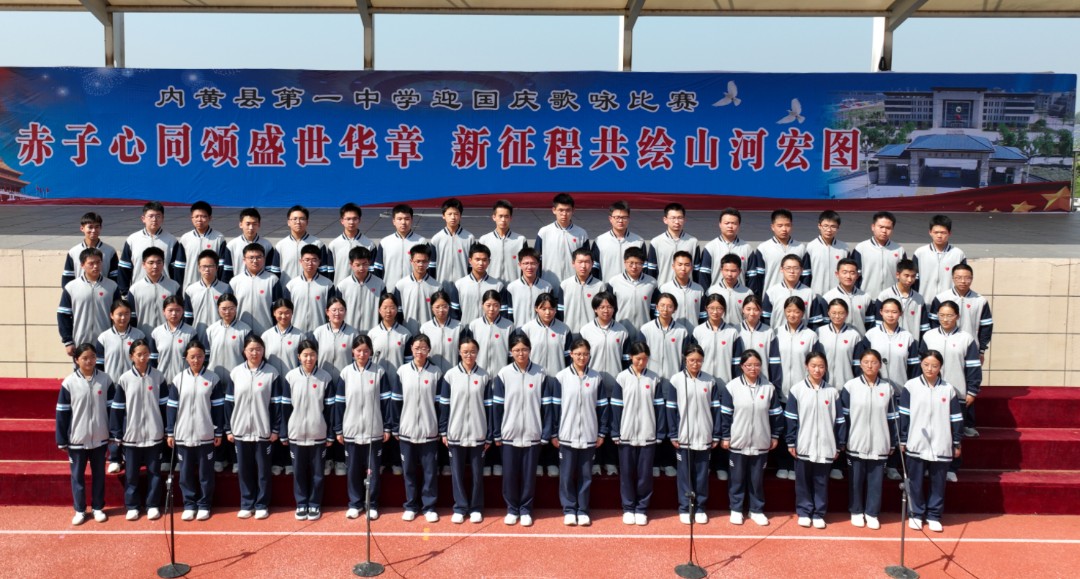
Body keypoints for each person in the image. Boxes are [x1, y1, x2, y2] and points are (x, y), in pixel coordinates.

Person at [492, 334, 557, 526]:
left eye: (524, 349)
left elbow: (547, 407)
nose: (521, 353)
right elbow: (497, 407)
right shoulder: (503, 374)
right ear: (510, 352)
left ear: (530, 350)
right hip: (509, 434)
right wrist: (497, 433)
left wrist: (545, 433)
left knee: (529, 476)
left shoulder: (540, 373)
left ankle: (526, 509)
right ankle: (512, 509)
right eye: (517, 350)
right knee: (509, 475)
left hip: (532, 433)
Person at [899, 350, 963, 533]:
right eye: (926, 364)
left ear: (940, 367)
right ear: (921, 364)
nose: (930, 369)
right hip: (916, 442)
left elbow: (956, 418)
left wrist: (957, 442)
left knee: (938, 482)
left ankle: (934, 515)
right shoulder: (911, 386)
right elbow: (904, 415)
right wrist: (903, 439)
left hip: (941, 443)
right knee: (915, 482)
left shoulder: (948, 389)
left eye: (934, 366)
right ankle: (915, 514)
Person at [721, 350, 783, 527]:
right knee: (737, 478)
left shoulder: (769, 388)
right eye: (749, 365)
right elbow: (725, 415)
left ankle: (756, 510)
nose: (753, 368)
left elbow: (776, 415)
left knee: (756, 480)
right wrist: (726, 436)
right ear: (742, 366)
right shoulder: (732, 387)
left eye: (757, 365)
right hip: (737, 441)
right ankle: (736, 509)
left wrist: (775, 435)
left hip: (760, 441)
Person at [920, 301, 982, 479]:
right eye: (941, 315)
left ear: (957, 316)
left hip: (957, 393)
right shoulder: (929, 336)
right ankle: (930, 465)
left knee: (954, 431)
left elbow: (973, 367)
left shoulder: (966, 338)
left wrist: (972, 391)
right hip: (930, 392)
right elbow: (920, 364)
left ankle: (952, 468)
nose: (945, 319)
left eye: (949, 315)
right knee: (930, 428)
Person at [551, 338, 609, 526]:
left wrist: (601, 433)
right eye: (578, 354)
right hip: (566, 435)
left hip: (589, 435)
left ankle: (583, 510)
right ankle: (569, 509)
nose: (582, 357)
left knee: (586, 475)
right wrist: (554, 433)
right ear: (571, 355)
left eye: (585, 354)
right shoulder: (561, 377)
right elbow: (555, 407)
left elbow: (603, 407)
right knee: (566, 475)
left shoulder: (596, 378)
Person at [785, 351, 846, 529]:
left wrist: (838, 444)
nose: (817, 370)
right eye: (813, 366)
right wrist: (791, 441)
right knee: (802, 481)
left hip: (826, 445)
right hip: (804, 444)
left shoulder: (832, 392)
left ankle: (819, 513)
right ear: (806, 366)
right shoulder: (797, 390)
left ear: (826, 368)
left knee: (821, 481)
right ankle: (804, 512)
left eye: (821, 366)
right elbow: (791, 418)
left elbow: (840, 421)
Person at [109, 338, 168, 521]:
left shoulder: (158, 377)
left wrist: (166, 429)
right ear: (131, 356)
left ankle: (152, 505)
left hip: (154, 435)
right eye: (139, 354)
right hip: (131, 436)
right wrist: (117, 433)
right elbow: (117, 408)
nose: (143, 358)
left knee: (154, 473)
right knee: (131, 475)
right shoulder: (125, 379)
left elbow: (165, 406)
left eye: (146, 354)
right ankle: (133, 506)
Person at [224, 334, 282, 520]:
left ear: (263, 351)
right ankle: (247, 503)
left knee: (264, 471)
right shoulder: (236, 373)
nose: (254, 353)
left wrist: (275, 429)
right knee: (244, 470)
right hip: (240, 430)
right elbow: (229, 403)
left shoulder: (272, 373)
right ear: (244, 352)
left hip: (263, 430)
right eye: (251, 349)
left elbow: (277, 405)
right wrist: (228, 429)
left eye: (258, 349)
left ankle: (262, 504)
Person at [56, 343, 115, 525]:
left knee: (99, 475)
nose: (89, 361)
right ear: (76, 360)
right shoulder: (69, 383)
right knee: (77, 476)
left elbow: (113, 409)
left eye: (92, 357)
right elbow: (62, 413)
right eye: (84, 358)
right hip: (77, 439)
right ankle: (80, 510)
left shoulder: (105, 380)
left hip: (100, 438)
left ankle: (97, 508)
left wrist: (113, 433)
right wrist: (61, 439)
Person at [166, 339, 224, 521]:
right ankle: (189, 504)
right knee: (185, 474)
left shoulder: (213, 378)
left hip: (205, 434)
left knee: (206, 474)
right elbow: (171, 407)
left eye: (199, 356)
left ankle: (204, 505)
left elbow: (218, 408)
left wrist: (218, 431)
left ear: (205, 357)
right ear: (186, 358)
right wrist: (170, 431)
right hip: (183, 435)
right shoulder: (178, 379)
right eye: (192, 357)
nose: (196, 360)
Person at [336, 335, 393, 520]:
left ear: (371, 352)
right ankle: (355, 504)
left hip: (373, 430)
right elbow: (339, 403)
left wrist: (387, 427)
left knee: (372, 470)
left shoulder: (379, 372)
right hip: (351, 430)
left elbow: (386, 402)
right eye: (359, 351)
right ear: (353, 351)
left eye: (366, 351)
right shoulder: (346, 373)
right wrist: (338, 429)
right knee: (353, 470)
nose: (362, 354)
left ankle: (372, 504)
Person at [863, 298, 920, 481]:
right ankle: (876, 463)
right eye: (886, 311)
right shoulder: (871, 335)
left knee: (897, 429)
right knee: (877, 427)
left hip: (900, 393)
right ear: (880, 312)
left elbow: (914, 367)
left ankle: (893, 465)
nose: (890, 315)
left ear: (901, 314)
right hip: (875, 391)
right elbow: (862, 363)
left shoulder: (908, 337)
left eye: (894, 312)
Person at [517, 292, 572, 478]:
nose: (547, 312)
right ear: (536, 309)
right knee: (537, 418)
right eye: (543, 308)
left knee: (555, 419)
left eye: (551, 308)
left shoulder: (564, 329)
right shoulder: (527, 329)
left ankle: (552, 460)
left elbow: (569, 359)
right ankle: (539, 461)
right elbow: (520, 355)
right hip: (534, 381)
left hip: (557, 382)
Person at [841, 348, 898, 530]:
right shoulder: (850, 386)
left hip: (880, 443)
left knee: (876, 482)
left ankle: (872, 513)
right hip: (856, 441)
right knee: (855, 480)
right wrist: (843, 440)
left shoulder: (888, 388)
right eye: (866, 362)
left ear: (880, 365)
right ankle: (856, 510)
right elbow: (844, 417)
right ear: (860, 364)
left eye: (874, 362)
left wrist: (893, 441)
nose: (870, 365)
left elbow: (893, 418)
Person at [438, 337, 492, 524]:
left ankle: (476, 507)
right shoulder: (450, 375)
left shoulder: (484, 376)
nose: (469, 355)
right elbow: (444, 405)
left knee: (477, 474)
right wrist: (443, 431)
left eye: (473, 351)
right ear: (459, 353)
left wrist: (489, 434)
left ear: (478, 353)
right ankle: (460, 507)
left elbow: (489, 407)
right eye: (465, 352)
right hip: (456, 432)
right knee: (457, 474)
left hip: (478, 433)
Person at [280, 339, 335, 521]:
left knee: (318, 474)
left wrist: (330, 434)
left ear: (317, 356)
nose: (309, 358)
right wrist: (284, 432)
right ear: (299, 357)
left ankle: (314, 504)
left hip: (318, 433)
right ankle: (301, 503)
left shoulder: (325, 378)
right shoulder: (290, 377)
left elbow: (330, 409)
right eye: (305, 355)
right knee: (299, 472)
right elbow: (285, 408)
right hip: (296, 434)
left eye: (312, 355)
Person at [610, 342, 665, 525]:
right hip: (626, 434)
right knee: (626, 474)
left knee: (645, 475)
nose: (641, 362)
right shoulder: (622, 377)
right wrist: (615, 431)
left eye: (645, 359)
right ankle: (628, 508)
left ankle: (641, 508)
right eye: (638, 359)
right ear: (630, 357)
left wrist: (659, 432)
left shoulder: (654, 378)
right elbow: (616, 407)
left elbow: (659, 408)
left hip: (648, 434)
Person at [666, 344, 721, 524]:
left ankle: (700, 508)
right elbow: (671, 409)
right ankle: (685, 507)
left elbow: (715, 410)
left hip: (705, 436)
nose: (695, 364)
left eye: (698, 361)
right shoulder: (676, 380)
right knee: (685, 475)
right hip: (684, 436)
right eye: (691, 360)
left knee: (702, 474)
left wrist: (716, 434)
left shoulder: (710, 381)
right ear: (685, 360)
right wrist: (673, 434)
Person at [393, 334, 443, 523]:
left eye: (423, 348)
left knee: (430, 472)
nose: (420, 351)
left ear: (429, 350)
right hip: (407, 431)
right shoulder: (402, 371)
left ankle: (429, 507)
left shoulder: (436, 372)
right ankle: (411, 505)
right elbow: (396, 402)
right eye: (416, 348)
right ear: (411, 349)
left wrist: (440, 428)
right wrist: (396, 427)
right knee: (408, 471)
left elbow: (440, 404)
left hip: (430, 431)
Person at [640, 292, 691, 478]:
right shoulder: (646, 329)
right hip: (650, 384)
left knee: (671, 423)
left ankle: (668, 461)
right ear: (656, 307)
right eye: (662, 305)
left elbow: (686, 360)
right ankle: (654, 462)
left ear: (674, 309)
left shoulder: (682, 332)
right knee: (652, 422)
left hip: (673, 385)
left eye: (670, 306)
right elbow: (640, 357)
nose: (665, 309)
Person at [579, 292, 630, 476]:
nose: (606, 310)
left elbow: (626, 361)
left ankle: (610, 461)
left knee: (612, 424)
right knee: (594, 423)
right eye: (601, 307)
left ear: (614, 309)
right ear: (595, 309)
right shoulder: (586, 331)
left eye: (609, 307)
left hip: (615, 387)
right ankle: (594, 461)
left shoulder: (622, 332)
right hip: (592, 385)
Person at [693, 295, 742, 480]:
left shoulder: (732, 333)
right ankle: (704, 464)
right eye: (711, 308)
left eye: (719, 308)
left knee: (721, 425)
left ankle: (721, 464)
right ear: (706, 309)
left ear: (724, 310)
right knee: (703, 423)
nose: (715, 312)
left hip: (725, 388)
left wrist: (735, 385)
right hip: (702, 386)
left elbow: (737, 363)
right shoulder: (698, 331)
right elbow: (691, 360)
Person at [774, 296, 822, 480]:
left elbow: (816, 363)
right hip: (781, 390)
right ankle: (782, 464)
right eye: (789, 311)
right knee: (782, 428)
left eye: (796, 311)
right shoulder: (776, 333)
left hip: (803, 391)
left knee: (800, 428)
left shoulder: (811, 336)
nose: (792, 314)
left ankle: (795, 465)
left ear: (803, 313)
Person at [95, 299, 145, 474]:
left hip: (135, 385)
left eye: (126, 314)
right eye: (119, 314)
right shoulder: (103, 337)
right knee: (114, 421)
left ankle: (134, 456)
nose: (123, 318)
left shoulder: (139, 335)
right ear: (111, 315)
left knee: (134, 419)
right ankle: (115, 458)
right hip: (112, 386)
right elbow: (99, 365)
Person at [60, 247, 123, 358]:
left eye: (98, 262)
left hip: (106, 342)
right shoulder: (71, 287)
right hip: (80, 342)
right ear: (82, 265)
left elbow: (119, 314)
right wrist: (68, 341)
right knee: (83, 368)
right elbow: (63, 315)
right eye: (91, 263)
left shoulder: (112, 286)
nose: (95, 266)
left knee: (105, 369)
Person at [118, 201, 184, 298]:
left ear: (163, 218)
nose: (154, 219)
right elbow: (124, 268)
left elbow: (176, 271)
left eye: (158, 216)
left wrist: (176, 292)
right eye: (150, 216)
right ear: (143, 218)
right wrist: (125, 292)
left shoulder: (171, 241)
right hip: (139, 292)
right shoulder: (132, 240)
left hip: (166, 292)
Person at [929, 264, 993, 362]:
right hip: (944, 348)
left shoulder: (980, 301)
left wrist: (981, 351)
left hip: (971, 348)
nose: (963, 281)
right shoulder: (941, 298)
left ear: (972, 279)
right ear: (952, 278)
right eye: (958, 278)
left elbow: (986, 327)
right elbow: (934, 323)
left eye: (967, 278)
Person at [746, 209, 805, 297]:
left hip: (795, 298)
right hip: (771, 297)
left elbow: (805, 276)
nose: (784, 229)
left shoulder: (800, 248)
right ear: (772, 227)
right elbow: (758, 278)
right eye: (780, 226)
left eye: (787, 225)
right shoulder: (763, 248)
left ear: (792, 226)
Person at [374, 204, 430, 292]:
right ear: (394, 221)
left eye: (407, 219)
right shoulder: (385, 242)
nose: (403, 222)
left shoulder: (421, 242)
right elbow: (378, 269)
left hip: (414, 289)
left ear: (412, 220)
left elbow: (428, 268)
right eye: (399, 219)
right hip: (390, 290)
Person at [229, 243, 282, 335]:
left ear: (264, 259)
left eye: (258, 257)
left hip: (266, 331)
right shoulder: (235, 282)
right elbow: (229, 307)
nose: (255, 260)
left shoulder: (272, 280)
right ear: (244, 260)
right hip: (240, 332)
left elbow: (278, 308)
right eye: (251, 257)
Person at [762, 254, 826, 331]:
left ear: (801, 270)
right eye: (788, 268)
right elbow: (765, 320)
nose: (792, 271)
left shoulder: (809, 293)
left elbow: (815, 322)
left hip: (802, 336)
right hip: (778, 335)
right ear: (781, 269)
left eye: (796, 268)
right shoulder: (771, 292)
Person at [535, 193, 589, 282]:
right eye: (561, 210)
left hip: (573, 283)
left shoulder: (581, 233)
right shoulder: (544, 232)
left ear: (573, 210)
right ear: (554, 210)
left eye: (568, 210)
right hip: (549, 283)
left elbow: (587, 261)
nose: (564, 214)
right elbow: (536, 259)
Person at [852, 211, 906, 299]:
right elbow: (854, 275)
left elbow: (903, 276)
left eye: (888, 228)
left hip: (892, 299)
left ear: (892, 229)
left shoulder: (899, 250)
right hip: (867, 298)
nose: (884, 231)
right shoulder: (861, 248)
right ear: (873, 227)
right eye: (881, 227)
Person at [148, 296, 199, 389]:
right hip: (161, 381)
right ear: (164, 311)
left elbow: (195, 359)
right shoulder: (157, 332)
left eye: (178, 310)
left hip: (184, 382)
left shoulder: (191, 332)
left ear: (183, 310)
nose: (174, 313)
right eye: (170, 310)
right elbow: (152, 359)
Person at [283, 244, 335, 334]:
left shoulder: (328, 284)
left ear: (319, 262)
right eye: (306, 260)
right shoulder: (291, 285)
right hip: (296, 332)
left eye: (314, 260)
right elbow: (285, 310)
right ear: (301, 261)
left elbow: (332, 310)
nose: (310, 263)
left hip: (320, 332)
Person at [698, 208, 755, 290]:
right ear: (720, 224)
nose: (730, 226)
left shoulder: (747, 248)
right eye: (727, 223)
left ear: (739, 225)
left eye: (734, 223)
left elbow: (752, 278)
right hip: (716, 295)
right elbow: (704, 276)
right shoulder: (710, 247)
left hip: (740, 294)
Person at [877, 259, 930, 346]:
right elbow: (878, 323)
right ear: (897, 275)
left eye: (913, 276)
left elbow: (924, 327)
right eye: (906, 276)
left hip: (912, 344)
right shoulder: (884, 296)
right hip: (887, 344)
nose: (910, 280)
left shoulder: (919, 299)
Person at [609, 246, 657, 342]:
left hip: (644, 331)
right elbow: (610, 308)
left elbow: (654, 309)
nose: (634, 267)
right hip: (620, 331)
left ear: (643, 264)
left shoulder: (652, 282)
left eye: (638, 263)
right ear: (625, 262)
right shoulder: (614, 282)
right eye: (631, 263)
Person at [913, 215, 966, 300]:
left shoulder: (958, 254)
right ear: (930, 232)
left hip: (950, 303)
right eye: (936, 232)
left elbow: (962, 280)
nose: (939, 236)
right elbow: (914, 279)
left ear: (950, 233)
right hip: (925, 301)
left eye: (943, 233)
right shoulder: (920, 253)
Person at [127, 247, 181, 332]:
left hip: (168, 335)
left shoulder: (174, 286)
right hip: (143, 335)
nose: (155, 266)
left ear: (163, 263)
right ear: (143, 265)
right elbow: (131, 317)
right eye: (151, 263)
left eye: (159, 262)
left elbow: (180, 313)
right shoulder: (135, 289)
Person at [737, 295, 784, 391]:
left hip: (763, 384)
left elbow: (774, 361)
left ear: (761, 311)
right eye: (748, 309)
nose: (752, 313)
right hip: (740, 384)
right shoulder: (736, 331)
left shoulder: (768, 332)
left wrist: (775, 385)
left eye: (756, 309)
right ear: (743, 309)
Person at [336, 246, 386, 336]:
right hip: (349, 333)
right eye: (357, 265)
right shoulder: (342, 286)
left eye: (364, 264)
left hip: (373, 332)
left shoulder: (379, 284)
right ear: (351, 264)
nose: (361, 268)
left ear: (369, 262)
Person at [647, 203, 700, 287]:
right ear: (665, 220)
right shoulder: (656, 242)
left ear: (684, 219)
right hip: (663, 289)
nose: (677, 221)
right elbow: (651, 271)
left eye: (680, 218)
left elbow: (696, 271)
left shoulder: (693, 242)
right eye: (673, 218)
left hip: (687, 289)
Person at [177, 201, 227, 290]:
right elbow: (180, 267)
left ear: (209, 218)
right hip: (190, 287)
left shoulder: (219, 238)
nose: (199, 219)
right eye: (196, 216)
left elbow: (222, 266)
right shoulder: (185, 238)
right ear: (192, 218)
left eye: (203, 216)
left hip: (214, 288)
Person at [559, 247, 608, 336]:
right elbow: (560, 311)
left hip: (592, 333)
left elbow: (603, 311)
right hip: (570, 332)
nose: (583, 266)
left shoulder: (600, 286)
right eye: (580, 262)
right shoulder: (564, 285)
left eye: (587, 262)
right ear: (573, 263)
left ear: (592, 264)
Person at [592, 201, 644, 283]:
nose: (620, 221)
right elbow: (594, 268)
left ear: (629, 219)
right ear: (610, 219)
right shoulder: (599, 241)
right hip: (607, 286)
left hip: (632, 286)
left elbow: (644, 268)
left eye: (624, 217)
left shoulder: (638, 241)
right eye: (617, 217)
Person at [395, 244, 443, 335]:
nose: (421, 264)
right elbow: (398, 312)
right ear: (411, 261)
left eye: (424, 261)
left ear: (429, 261)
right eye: (417, 261)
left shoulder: (437, 287)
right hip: (407, 332)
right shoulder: (401, 285)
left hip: (429, 334)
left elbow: (438, 313)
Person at [466, 290, 514, 379]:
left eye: (495, 305)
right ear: (482, 305)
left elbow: (512, 353)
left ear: (500, 305)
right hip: (478, 374)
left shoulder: (509, 326)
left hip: (501, 374)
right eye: (488, 305)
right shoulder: (474, 325)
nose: (491, 309)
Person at [817, 299, 865, 389]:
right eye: (834, 313)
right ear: (828, 312)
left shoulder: (854, 335)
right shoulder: (819, 332)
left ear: (847, 313)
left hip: (846, 385)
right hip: (822, 384)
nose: (837, 316)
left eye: (841, 313)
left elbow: (857, 364)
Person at [325, 203, 377, 286]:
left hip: (364, 287)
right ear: (342, 221)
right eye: (348, 219)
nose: (351, 222)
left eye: (355, 218)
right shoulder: (334, 245)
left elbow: (372, 271)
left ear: (359, 220)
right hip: (340, 288)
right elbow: (330, 271)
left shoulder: (369, 244)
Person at [452, 244, 504, 327]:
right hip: (466, 330)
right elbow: (454, 313)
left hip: (491, 329)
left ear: (489, 261)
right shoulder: (459, 285)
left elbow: (503, 313)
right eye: (477, 259)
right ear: (470, 261)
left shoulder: (498, 286)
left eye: (484, 260)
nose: (481, 263)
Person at [63, 212, 119, 288]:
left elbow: (115, 276)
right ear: (82, 228)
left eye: (97, 227)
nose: (93, 230)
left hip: (103, 292)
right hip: (80, 292)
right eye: (90, 227)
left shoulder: (110, 251)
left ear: (100, 228)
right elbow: (68, 278)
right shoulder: (73, 252)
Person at [822, 258, 876, 336]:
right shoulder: (828, 297)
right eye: (844, 272)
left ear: (857, 275)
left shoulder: (866, 297)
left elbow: (870, 324)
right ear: (837, 274)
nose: (848, 276)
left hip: (860, 340)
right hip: (836, 339)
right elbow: (825, 324)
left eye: (852, 273)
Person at [430, 198, 475, 291]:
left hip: (464, 287)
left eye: (456, 214)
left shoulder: (470, 238)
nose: (453, 217)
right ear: (443, 216)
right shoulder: (436, 239)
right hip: (442, 286)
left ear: (460, 216)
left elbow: (472, 266)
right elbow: (432, 266)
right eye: (449, 214)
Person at [183, 250, 232, 337]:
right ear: (199, 268)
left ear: (217, 268)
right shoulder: (190, 290)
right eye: (204, 266)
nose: (207, 269)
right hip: (197, 334)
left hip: (220, 334)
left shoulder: (226, 288)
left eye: (210, 266)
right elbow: (188, 317)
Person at [479, 199, 529, 283]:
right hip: (490, 286)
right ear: (494, 217)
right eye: (500, 216)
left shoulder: (520, 240)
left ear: (511, 218)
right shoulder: (484, 240)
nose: (503, 220)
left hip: (513, 286)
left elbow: (526, 265)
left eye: (506, 216)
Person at [223, 208, 278, 283]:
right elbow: (227, 272)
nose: (251, 228)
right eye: (248, 224)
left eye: (254, 224)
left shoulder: (267, 245)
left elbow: (270, 271)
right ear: (240, 224)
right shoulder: (232, 245)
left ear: (259, 225)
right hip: (239, 285)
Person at [275, 205, 325, 287]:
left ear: (307, 222)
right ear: (288, 222)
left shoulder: (318, 244)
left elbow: (323, 271)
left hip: (313, 289)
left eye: (302, 219)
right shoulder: (281, 245)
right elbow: (275, 272)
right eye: (294, 219)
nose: (298, 222)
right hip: (287, 290)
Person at [802, 211, 849, 296]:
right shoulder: (810, 247)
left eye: (833, 226)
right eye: (826, 226)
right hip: (817, 294)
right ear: (819, 226)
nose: (829, 230)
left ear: (838, 228)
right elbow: (806, 273)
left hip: (839, 295)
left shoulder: (844, 248)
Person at [503, 247, 553, 327]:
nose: (529, 267)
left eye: (533, 263)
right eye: (526, 263)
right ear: (520, 265)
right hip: (519, 330)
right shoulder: (512, 287)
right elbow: (509, 313)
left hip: (540, 330)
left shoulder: (547, 287)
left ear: (538, 265)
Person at [658, 250, 706, 330]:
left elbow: (703, 316)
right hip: (672, 333)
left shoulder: (699, 289)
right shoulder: (664, 289)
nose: (683, 268)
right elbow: (658, 315)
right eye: (679, 265)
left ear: (691, 267)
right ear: (673, 266)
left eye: (687, 265)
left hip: (693, 333)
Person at [420, 291, 465, 374]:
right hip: (431, 373)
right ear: (432, 308)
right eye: (437, 307)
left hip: (453, 373)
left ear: (449, 306)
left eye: (444, 306)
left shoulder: (459, 327)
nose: (441, 310)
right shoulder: (425, 328)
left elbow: (463, 352)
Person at [704, 254, 754, 328]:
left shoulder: (747, 293)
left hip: (740, 331)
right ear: (721, 270)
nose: (729, 274)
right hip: (718, 331)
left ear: (740, 271)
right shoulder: (711, 291)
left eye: (733, 271)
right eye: (726, 270)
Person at [262, 299, 304, 380]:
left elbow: (303, 362)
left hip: (293, 380)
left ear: (292, 312)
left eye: (287, 313)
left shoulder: (300, 336)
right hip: (271, 380)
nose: (283, 316)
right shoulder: (266, 336)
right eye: (280, 313)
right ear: (274, 313)